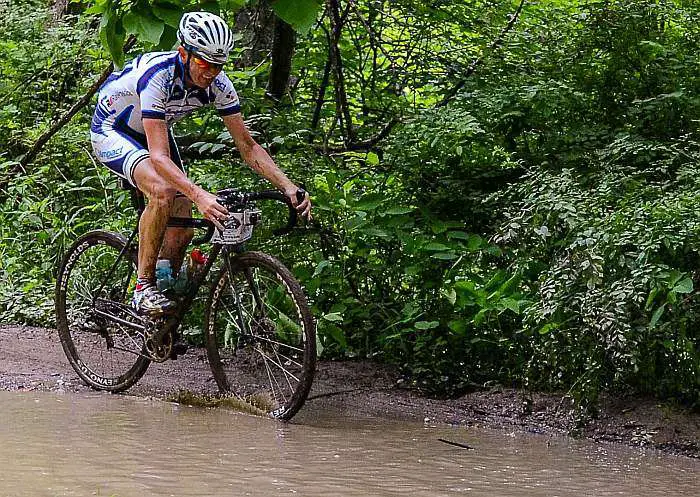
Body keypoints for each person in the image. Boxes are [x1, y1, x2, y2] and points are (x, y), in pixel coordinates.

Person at [90, 11, 311, 316]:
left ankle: (163, 299)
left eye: (218, 66)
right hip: (114, 130)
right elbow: (159, 157)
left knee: (183, 233)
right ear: (184, 53)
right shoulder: (159, 76)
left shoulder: (219, 84)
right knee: (162, 191)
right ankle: (142, 288)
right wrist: (199, 195)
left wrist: (288, 187)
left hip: (154, 132)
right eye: (205, 64)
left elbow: (247, 146)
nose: (211, 73)